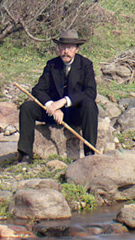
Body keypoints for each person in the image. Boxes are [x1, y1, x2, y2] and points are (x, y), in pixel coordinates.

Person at [17, 29, 98, 163]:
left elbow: (90, 92)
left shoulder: (85, 65)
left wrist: (64, 102)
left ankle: (89, 154)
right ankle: (25, 155)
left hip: (75, 113)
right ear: (58, 48)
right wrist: (51, 106)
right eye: (63, 47)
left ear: (77, 49)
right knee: (27, 107)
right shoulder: (52, 65)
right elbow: (37, 90)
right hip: (53, 114)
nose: (66, 51)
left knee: (90, 105)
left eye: (70, 47)